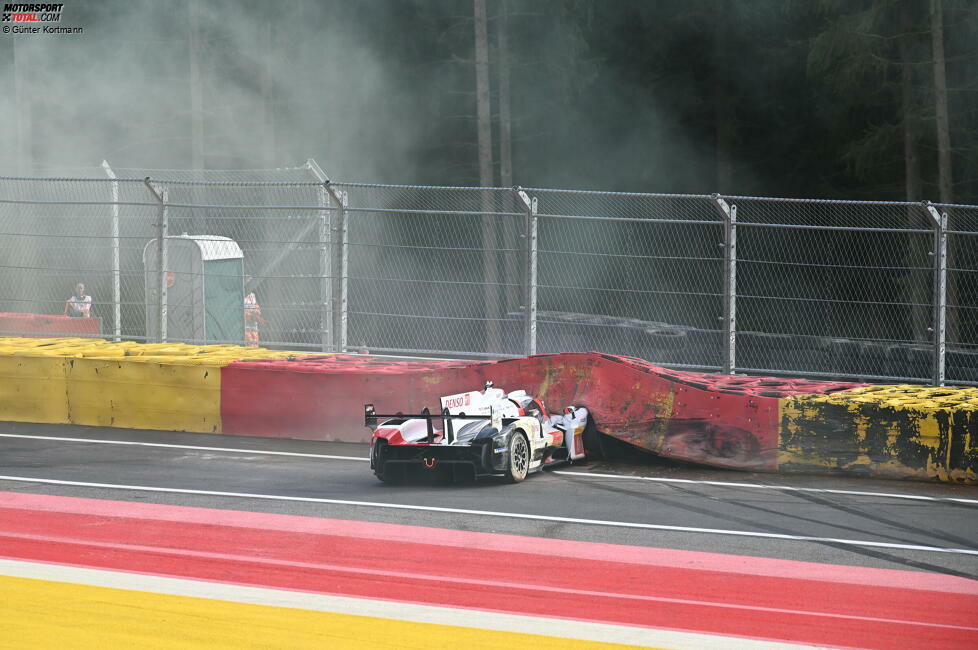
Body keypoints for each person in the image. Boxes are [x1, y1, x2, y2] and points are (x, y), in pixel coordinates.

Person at [243, 276, 266, 347]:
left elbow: (256, 305)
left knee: (255, 339)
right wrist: (250, 315)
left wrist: (257, 312)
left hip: (253, 322)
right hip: (246, 322)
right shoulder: (241, 294)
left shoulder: (252, 295)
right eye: (248, 281)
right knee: (249, 339)